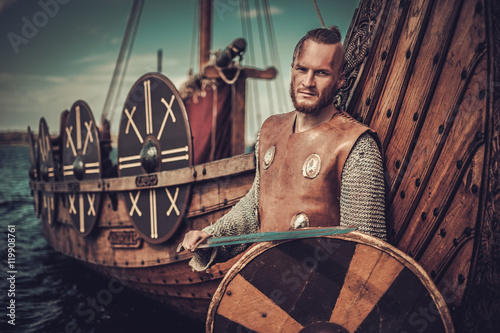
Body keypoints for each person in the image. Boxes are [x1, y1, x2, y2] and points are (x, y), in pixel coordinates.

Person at [181, 26, 386, 271]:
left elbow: (366, 254)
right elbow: (255, 207)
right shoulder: (270, 130)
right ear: (292, 69)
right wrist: (212, 237)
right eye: (302, 69)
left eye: (321, 73)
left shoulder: (356, 145)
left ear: (340, 79)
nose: (308, 82)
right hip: (266, 284)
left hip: (321, 290)